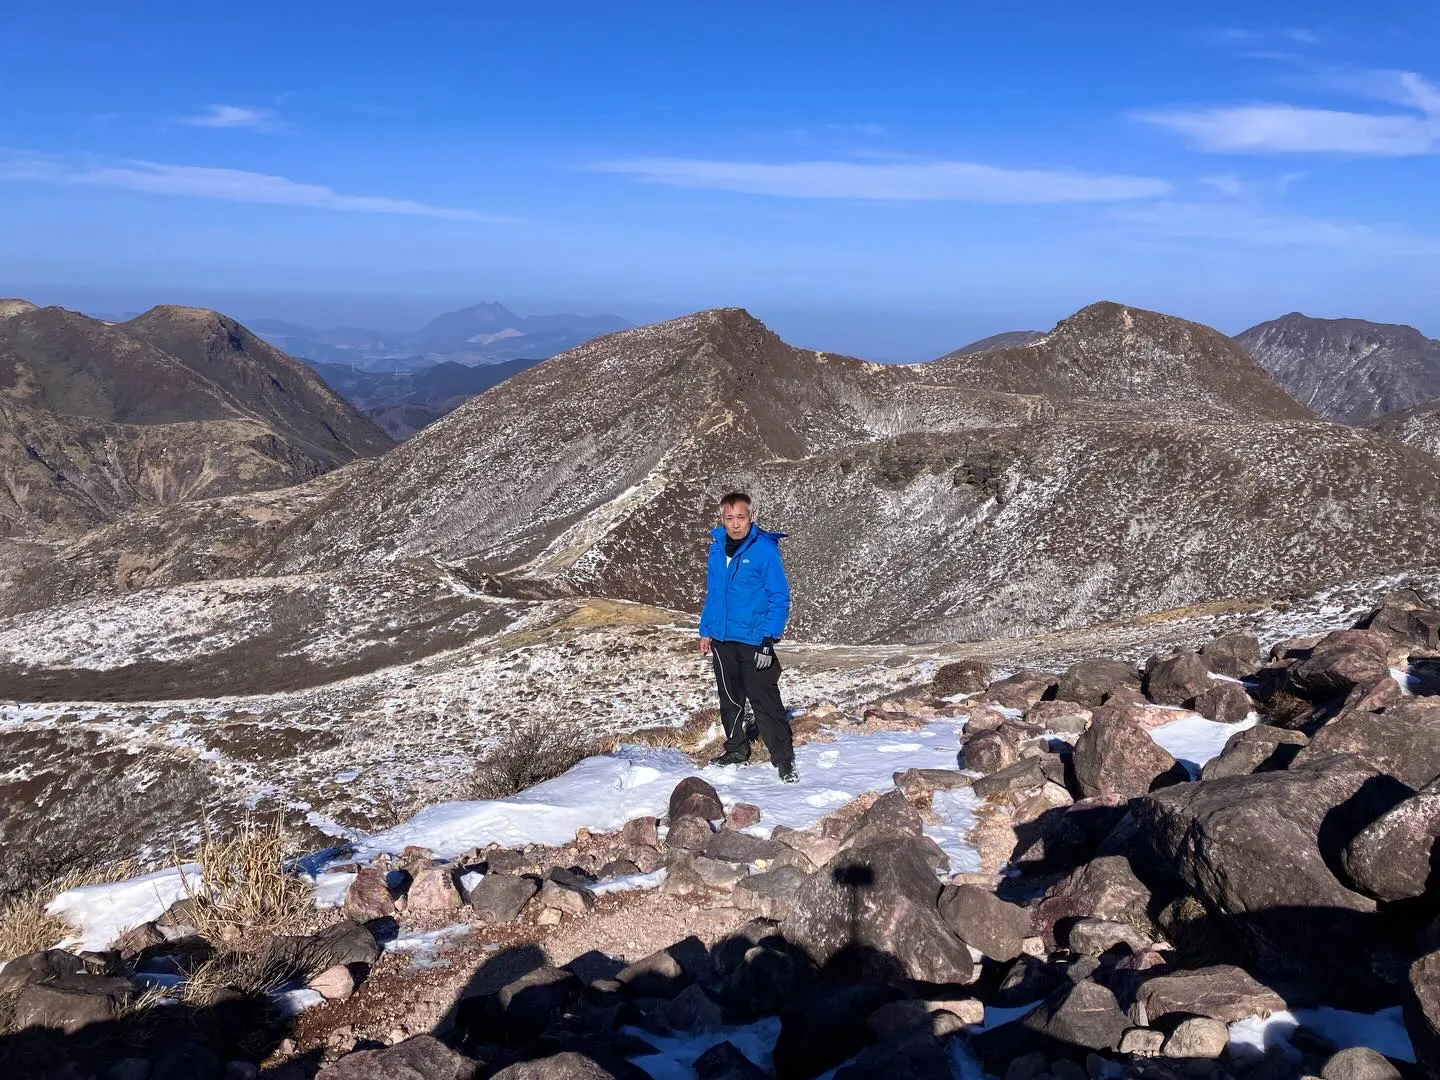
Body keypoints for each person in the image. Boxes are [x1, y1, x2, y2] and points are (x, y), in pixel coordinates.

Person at [697, 491, 797, 783]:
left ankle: (783, 758)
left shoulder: (764, 549)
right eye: (729, 518)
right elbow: (714, 594)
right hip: (723, 638)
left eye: (741, 517)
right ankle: (736, 749)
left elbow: (779, 596)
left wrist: (769, 638)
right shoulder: (716, 548)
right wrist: (706, 630)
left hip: (754, 639)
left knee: (764, 699)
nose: (735, 523)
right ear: (722, 519)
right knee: (730, 699)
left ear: (751, 517)